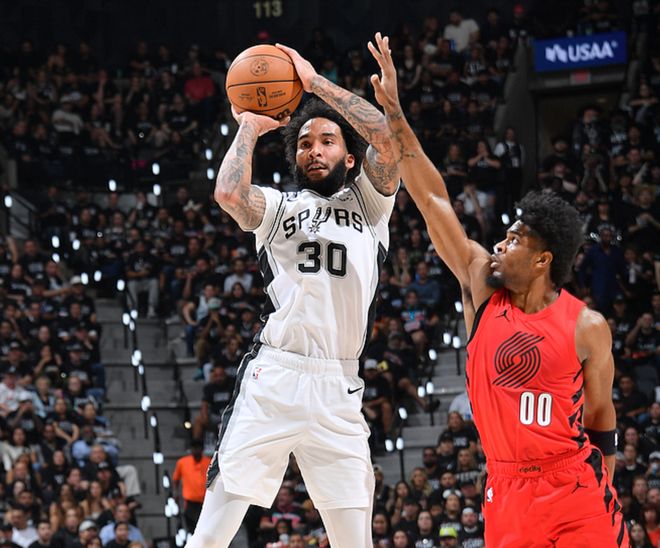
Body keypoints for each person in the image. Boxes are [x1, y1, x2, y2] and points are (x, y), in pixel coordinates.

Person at [367, 32, 629, 546]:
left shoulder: (587, 326)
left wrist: (600, 484)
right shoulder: (483, 289)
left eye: (513, 240)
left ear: (543, 259)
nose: (499, 245)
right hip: (507, 487)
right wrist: (394, 112)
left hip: (575, 483)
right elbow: (433, 199)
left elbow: (602, 414)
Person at [186, 35, 399, 548]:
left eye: (327, 140)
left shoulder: (370, 205)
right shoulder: (278, 207)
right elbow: (228, 193)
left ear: (351, 159)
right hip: (275, 376)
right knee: (211, 535)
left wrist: (314, 84)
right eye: (304, 143)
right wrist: (249, 125)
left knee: (356, 542)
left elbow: (387, 137)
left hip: (340, 386)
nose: (315, 149)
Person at [172, 439, 210, 533]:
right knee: (191, 528)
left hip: (205, 501)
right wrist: (175, 493)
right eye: (194, 448)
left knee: (204, 529)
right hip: (190, 502)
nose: (196, 450)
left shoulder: (208, 462)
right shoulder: (182, 462)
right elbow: (176, 479)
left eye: (198, 448)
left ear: (202, 449)